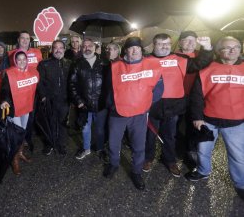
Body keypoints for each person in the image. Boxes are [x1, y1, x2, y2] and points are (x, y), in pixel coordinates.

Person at [143, 33, 213, 177]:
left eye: (167, 43)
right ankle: (147, 158)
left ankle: (169, 160)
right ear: (154, 45)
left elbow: (200, 63)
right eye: (160, 44)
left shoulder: (180, 59)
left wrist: (206, 48)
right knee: (150, 134)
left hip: (173, 106)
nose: (165, 46)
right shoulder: (145, 60)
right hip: (152, 105)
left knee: (170, 135)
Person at [186, 36, 244, 200]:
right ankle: (203, 171)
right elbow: (197, 95)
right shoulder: (207, 68)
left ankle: (241, 183)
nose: (233, 50)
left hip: (236, 123)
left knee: (238, 156)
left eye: (236, 47)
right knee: (203, 150)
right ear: (219, 51)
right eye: (227, 47)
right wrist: (197, 117)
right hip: (208, 120)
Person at [103, 37, 163, 191]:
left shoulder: (152, 65)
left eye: (137, 48)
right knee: (113, 143)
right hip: (118, 114)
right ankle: (114, 164)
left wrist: (146, 104)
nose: (134, 50)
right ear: (126, 51)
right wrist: (112, 105)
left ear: (141, 50)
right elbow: (108, 89)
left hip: (139, 114)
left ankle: (136, 171)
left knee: (138, 145)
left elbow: (158, 88)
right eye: (131, 48)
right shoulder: (115, 66)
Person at [0, 50, 39, 174]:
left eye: (24, 59)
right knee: (15, 135)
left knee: (22, 133)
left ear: (27, 60)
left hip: (26, 108)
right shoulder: (9, 73)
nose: (22, 61)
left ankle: (20, 153)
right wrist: (4, 100)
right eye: (19, 59)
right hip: (14, 109)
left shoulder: (32, 72)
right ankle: (14, 160)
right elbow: (4, 89)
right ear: (15, 61)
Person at [69, 38, 108, 160]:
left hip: (100, 103)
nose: (87, 48)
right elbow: (72, 84)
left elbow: (109, 83)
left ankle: (101, 148)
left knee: (100, 129)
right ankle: (86, 148)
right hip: (84, 104)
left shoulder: (104, 63)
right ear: (81, 48)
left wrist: (107, 100)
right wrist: (78, 101)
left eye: (89, 45)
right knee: (85, 129)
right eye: (84, 46)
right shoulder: (77, 63)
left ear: (95, 47)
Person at [37, 40, 71, 155]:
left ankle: (61, 144)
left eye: (61, 48)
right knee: (50, 123)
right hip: (49, 100)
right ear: (52, 50)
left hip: (65, 99)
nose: (58, 50)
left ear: (64, 49)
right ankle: (49, 144)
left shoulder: (69, 63)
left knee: (62, 123)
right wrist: (43, 96)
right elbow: (40, 82)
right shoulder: (44, 64)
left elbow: (73, 82)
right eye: (55, 48)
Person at [174, 31, 200, 168]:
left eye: (193, 40)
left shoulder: (203, 57)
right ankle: (171, 151)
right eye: (186, 40)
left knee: (193, 127)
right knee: (174, 126)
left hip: (195, 99)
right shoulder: (173, 56)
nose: (190, 43)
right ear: (179, 42)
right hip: (177, 97)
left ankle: (190, 154)